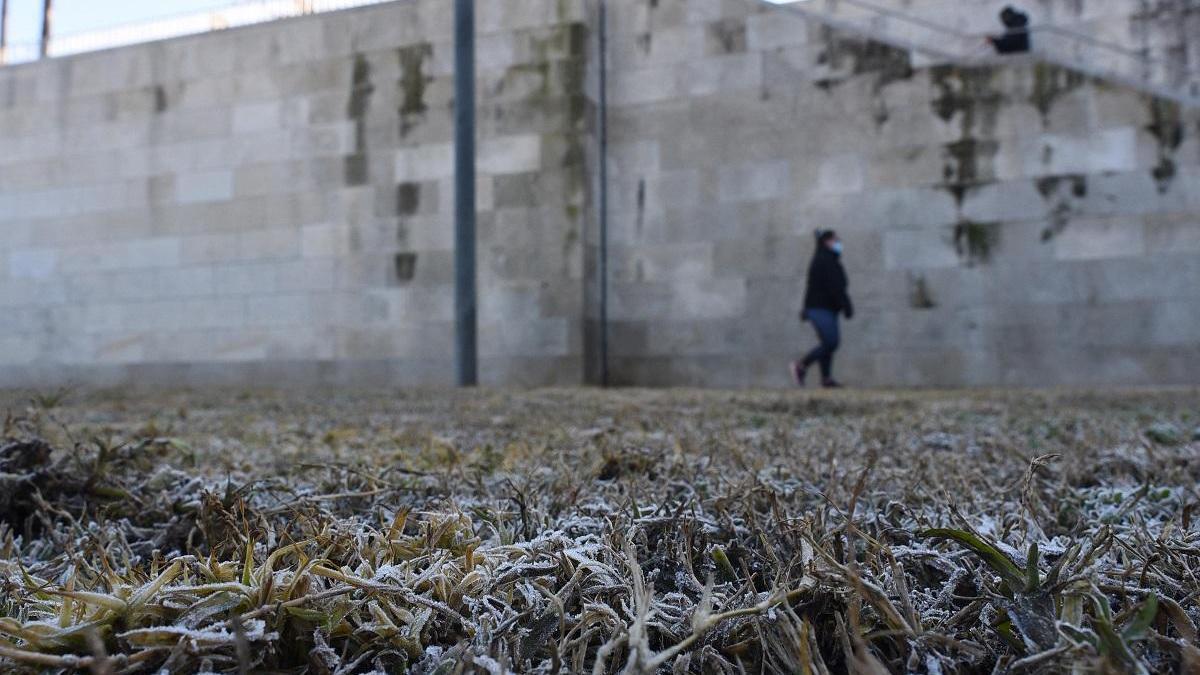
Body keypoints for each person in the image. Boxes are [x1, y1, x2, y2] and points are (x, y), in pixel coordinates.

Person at [792, 230, 853, 388]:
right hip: (820, 308)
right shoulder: (825, 260)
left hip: (825, 308)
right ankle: (801, 366)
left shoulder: (827, 259)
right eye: (836, 240)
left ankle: (826, 378)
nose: (839, 243)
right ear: (827, 241)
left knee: (827, 343)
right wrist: (846, 305)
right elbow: (836, 287)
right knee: (831, 342)